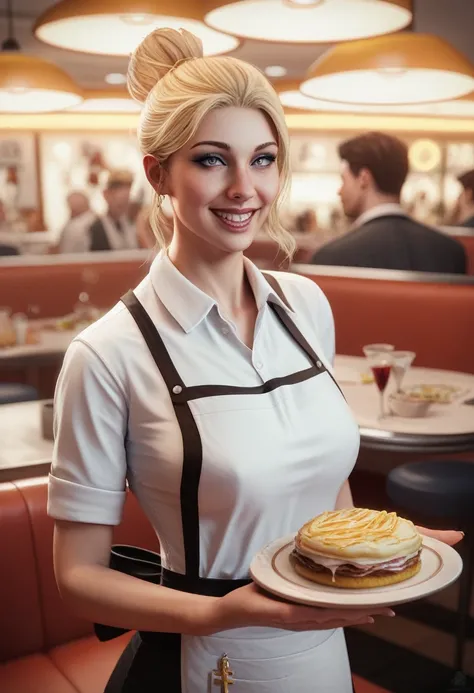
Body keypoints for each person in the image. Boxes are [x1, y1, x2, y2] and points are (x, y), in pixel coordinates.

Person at [48, 29, 462, 693]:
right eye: (213, 160)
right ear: (159, 173)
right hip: (210, 659)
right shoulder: (107, 352)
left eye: (264, 159)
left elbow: (322, 484)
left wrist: (370, 546)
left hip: (323, 646)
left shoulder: (306, 304)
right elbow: (78, 577)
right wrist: (221, 610)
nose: (245, 188)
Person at [311, 132, 466, 274]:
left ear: (363, 178)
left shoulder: (331, 257)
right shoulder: (450, 252)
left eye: (344, 180)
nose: (340, 190)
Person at [58, 173, 138, 253]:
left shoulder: (130, 225)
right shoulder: (89, 228)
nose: (123, 208)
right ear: (106, 195)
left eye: (126, 202)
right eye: (119, 204)